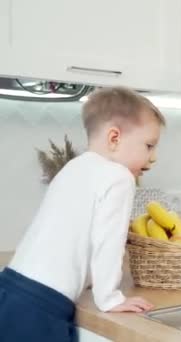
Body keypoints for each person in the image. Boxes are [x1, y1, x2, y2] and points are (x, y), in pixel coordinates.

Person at [0, 87, 161, 341]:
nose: (153, 158)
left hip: (10, 287)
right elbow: (108, 243)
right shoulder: (120, 177)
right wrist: (109, 298)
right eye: (149, 145)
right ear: (114, 138)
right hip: (42, 305)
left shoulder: (74, 167)